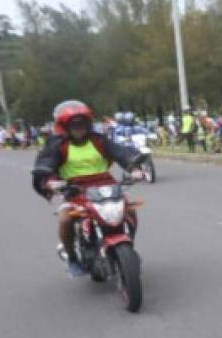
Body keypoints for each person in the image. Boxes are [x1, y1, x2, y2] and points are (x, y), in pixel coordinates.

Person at [31, 100, 143, 276]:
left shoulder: (99, 140)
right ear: (65, 126)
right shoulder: (57, 144)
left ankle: (127, 245)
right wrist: (51, 182)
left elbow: (120, 153)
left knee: (129, 211)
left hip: (106, 186)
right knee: (65, 220)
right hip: (75, 190)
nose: (79, 128)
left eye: (82, 124)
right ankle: (73, 257)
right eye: (74, 125)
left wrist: (134, 169)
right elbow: (46, 165)